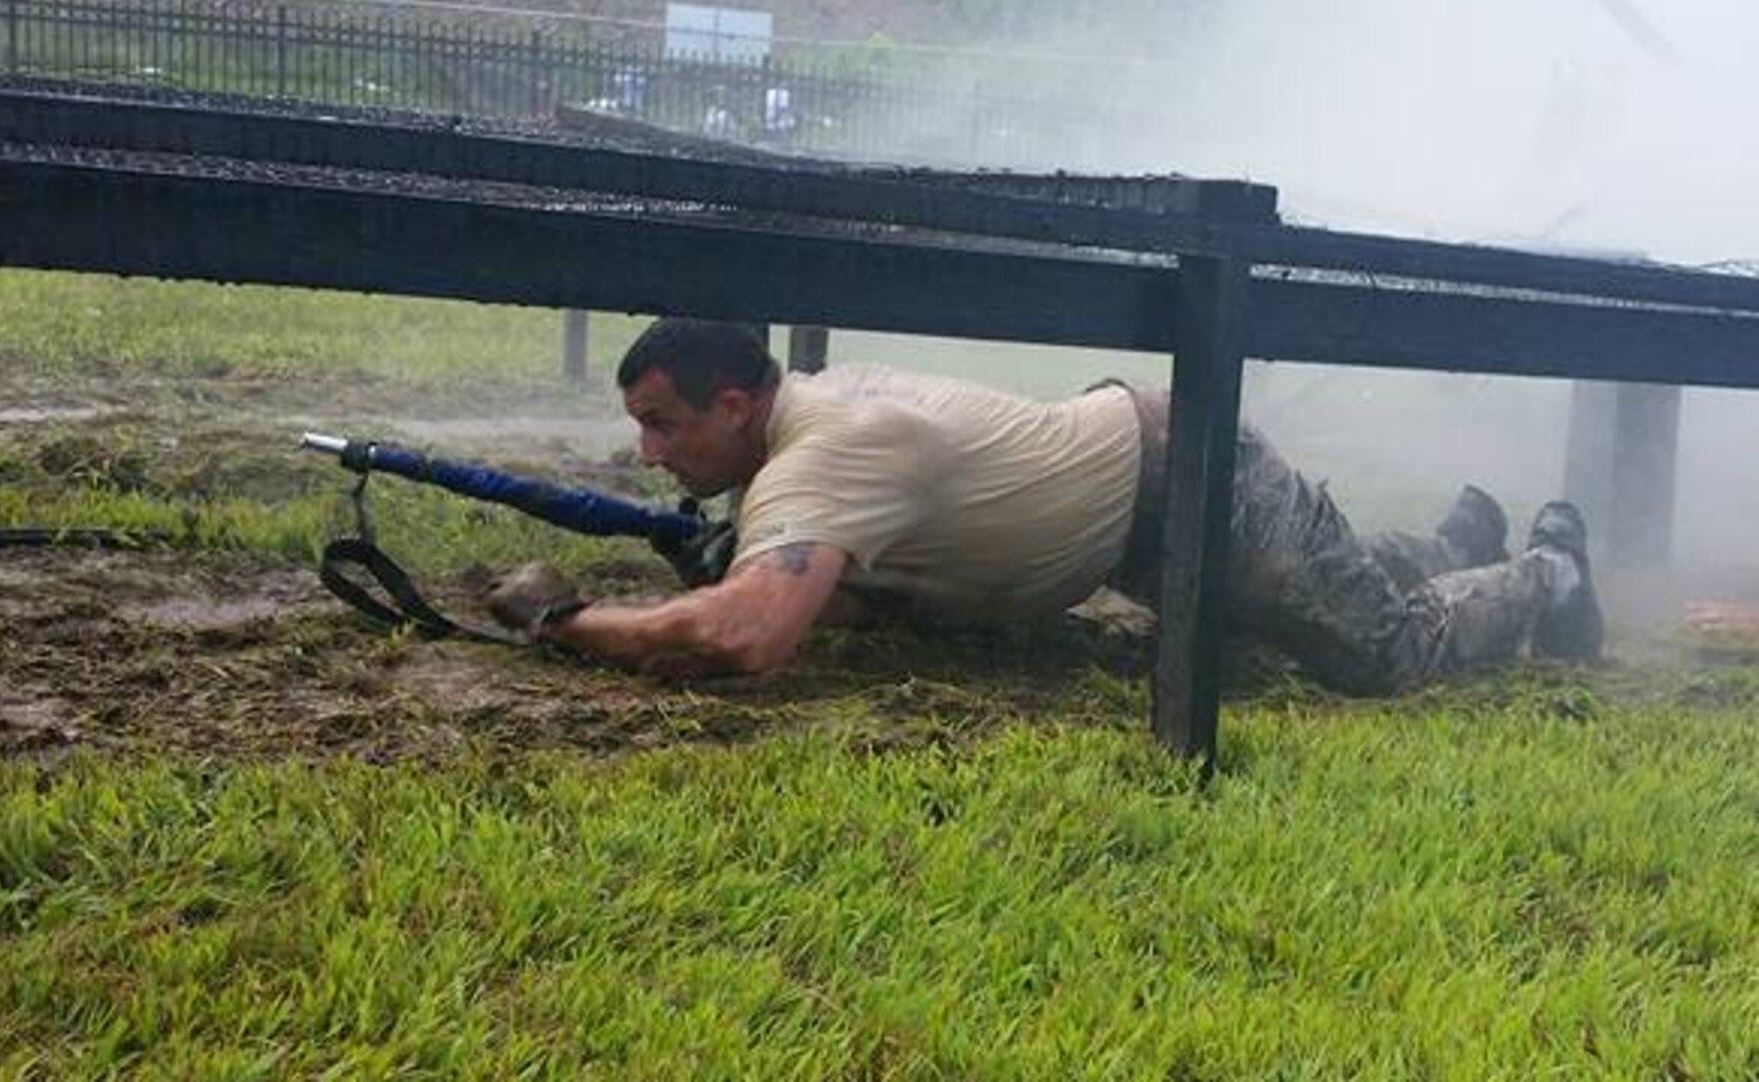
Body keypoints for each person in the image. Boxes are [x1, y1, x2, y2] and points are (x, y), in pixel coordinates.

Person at [485, 319, 1603, 690]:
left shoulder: (820, 459)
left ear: (736, 405)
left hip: (1185, 486)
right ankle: (1455, 535)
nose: (645, 453)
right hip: (1131, 493)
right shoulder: (807, 422)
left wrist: (567, 621)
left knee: (1382, 655)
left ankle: (1548, 576)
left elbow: (749, 635)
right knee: (1300, 596)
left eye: (662, 424)